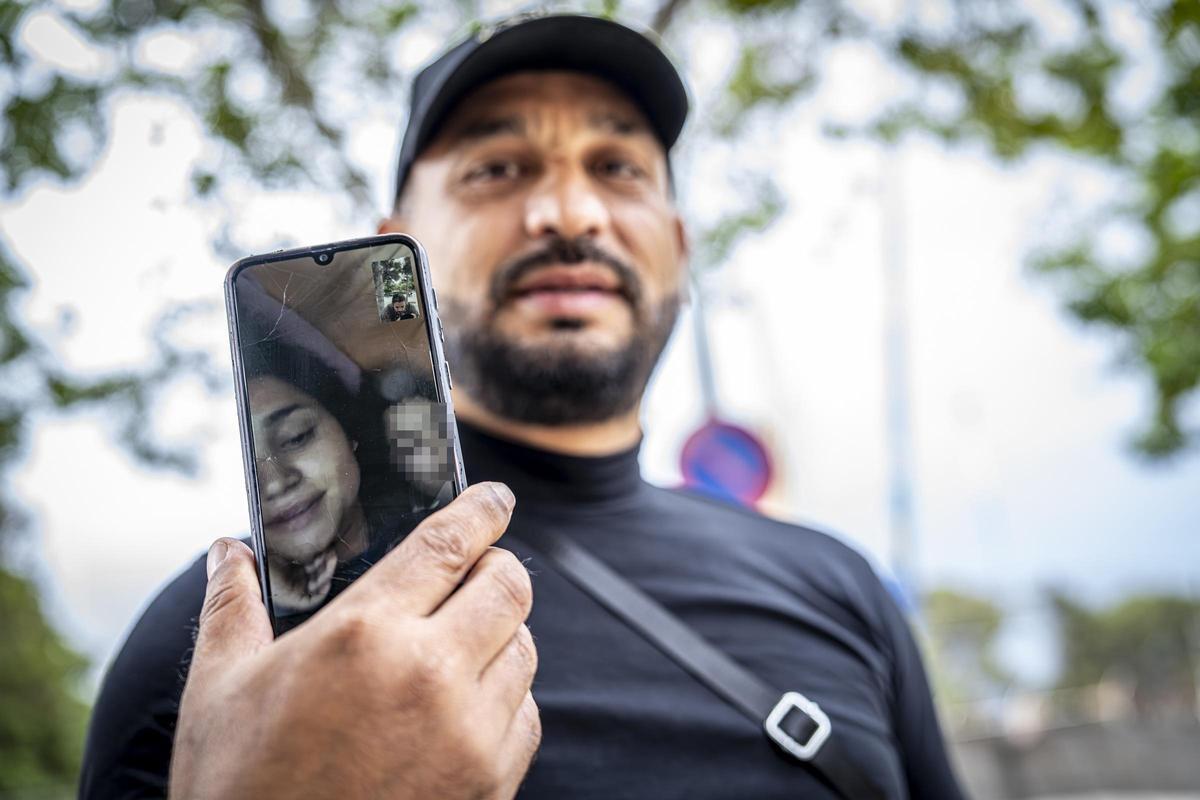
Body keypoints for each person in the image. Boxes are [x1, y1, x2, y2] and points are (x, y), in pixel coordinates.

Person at [81, 13, 966, 800]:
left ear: (679, 247)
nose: (568, 211)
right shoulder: (231, 651)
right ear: (397, 250)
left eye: (618, 168)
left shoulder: (841, 591)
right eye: (497, 168)